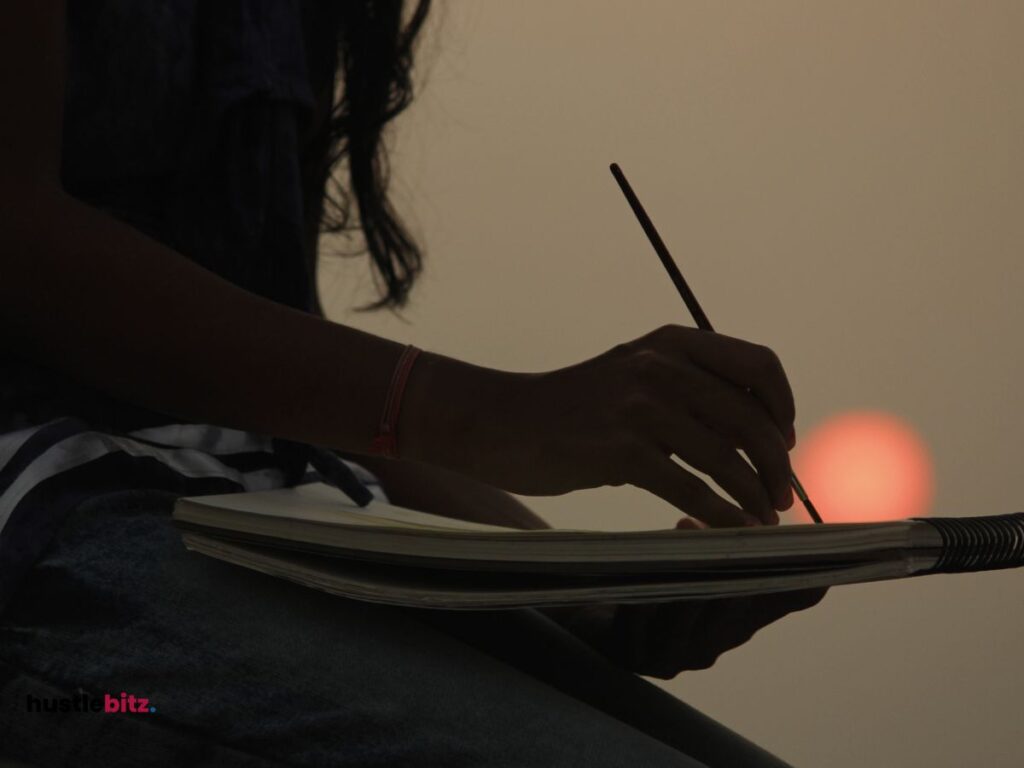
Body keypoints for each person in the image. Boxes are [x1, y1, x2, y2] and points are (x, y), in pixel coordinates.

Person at [0, 1, 825, 765]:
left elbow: (290, 402)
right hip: (43, 552)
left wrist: (578, 589)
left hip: (267, 528)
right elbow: (18, 233)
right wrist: (497, 415)